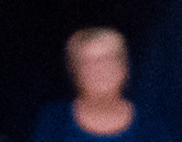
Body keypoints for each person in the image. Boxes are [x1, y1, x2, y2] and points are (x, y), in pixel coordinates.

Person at [31, 28, 166, 142]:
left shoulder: (151, 125)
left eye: (107, 60)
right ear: (74, 71)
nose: (99, 70)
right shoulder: (52, 123)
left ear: (124, 68)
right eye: (89, 62)